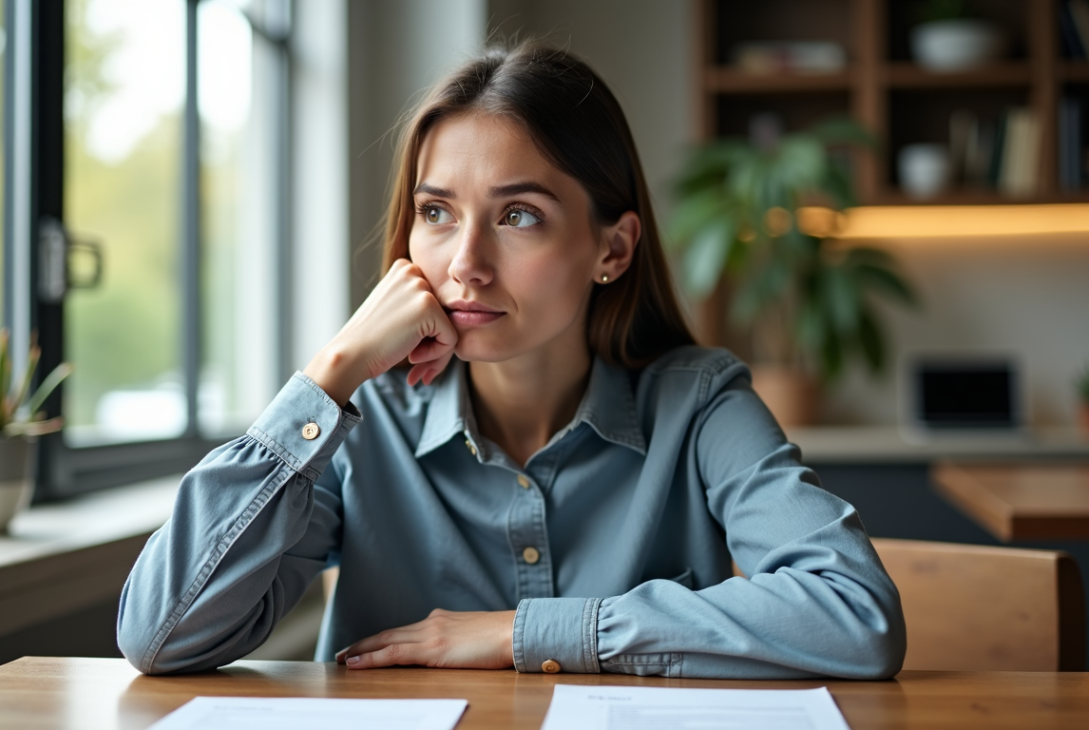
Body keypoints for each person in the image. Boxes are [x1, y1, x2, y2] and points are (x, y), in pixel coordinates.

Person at [117, 41, 905, 679]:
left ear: (612, 247)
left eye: (518, 215)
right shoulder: (366, 419)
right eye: (435, 212)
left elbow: (853, 616)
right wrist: (331, 372)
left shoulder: (698, 406)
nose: (465, 262)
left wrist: (520, 633)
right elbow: (158, 638)